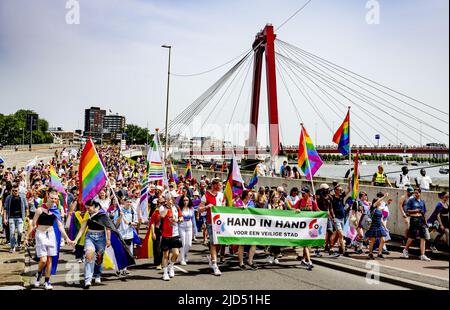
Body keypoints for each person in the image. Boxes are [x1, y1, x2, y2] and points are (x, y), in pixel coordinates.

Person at [25, 190, 74, 290]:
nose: (54, 200)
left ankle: (47, 281)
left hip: (51, 235)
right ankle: (38, 276)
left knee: (49, 260)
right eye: (52, 198)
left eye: (55, 199)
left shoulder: (56, 210)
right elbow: (33, 224)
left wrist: (67, 238)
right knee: (43, 260)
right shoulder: (40, 210)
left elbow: (60, 226)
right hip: (41, 235)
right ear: (47, 197)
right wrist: (26, 237)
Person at [73, 200, 115, 288]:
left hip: (101, 238)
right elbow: (82, 228)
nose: (87, 210)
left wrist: (108, 239)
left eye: (89, 208)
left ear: (95, 206)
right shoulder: (87, 215)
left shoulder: (103, 215)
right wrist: (76, 240)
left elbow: (108, 228)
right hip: (90, 237)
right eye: (86, 208)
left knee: (99, 258)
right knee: (89, 256)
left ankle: (97, 275)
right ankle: (88, 280)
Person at [198, 178, 225, 276]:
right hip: (210, 222)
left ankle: (212, 257)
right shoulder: (206, 196)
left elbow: (224, 207)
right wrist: (206, 207)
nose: (221, 187)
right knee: (213, 242)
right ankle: (215, 264)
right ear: (214, 185)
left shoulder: (221, 195)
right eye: (220, 185)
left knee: (219, 243)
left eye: (221, 185)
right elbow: (199, 209)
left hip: (220, 222)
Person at [402, 188, 431, 261]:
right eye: (415, 193)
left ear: (420, 193)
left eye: (417, 193)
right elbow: (407, 211)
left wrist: (425, 222)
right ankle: (405, 249)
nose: (416, 194)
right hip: (414, 219)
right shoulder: (411, 201)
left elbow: (424, 213)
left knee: (423, 237)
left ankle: (422, 255)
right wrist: (416, 211)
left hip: (421, 220)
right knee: (412, 236)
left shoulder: (422, 202)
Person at [160, 194, 183, 281]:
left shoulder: (176, 207)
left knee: (176, 253)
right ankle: (165, 273)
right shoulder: (163, 207)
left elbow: (181, 218)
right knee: (165, 255)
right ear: (166, 200)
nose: (170, 201)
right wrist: (168, 207)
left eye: (171, 199)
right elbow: (162, 215)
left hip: (175, 234)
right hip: (166, 234)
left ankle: (171, 266)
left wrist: (177, 220)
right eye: (168, 199)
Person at [114, 197, 137, 276]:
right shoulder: (118, 211)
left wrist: (131, 223)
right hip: (121, 235)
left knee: (128, 253)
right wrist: (120, 216)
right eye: (127, 202)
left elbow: (136, 223)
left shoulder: (132, 211)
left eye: (130, 202)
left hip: (129, 235)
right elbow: (116, 224)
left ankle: (125, 269)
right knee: (120, 252)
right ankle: (118, 268)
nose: (129, 203)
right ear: (124, 202)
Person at [296, 186, 319, 269]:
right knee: (306, 244)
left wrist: (326, 214)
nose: (302, 194)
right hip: (302, 227)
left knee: (308, 246)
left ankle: (303, 259)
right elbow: (292, 209)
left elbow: (318, 211)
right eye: (301, 193)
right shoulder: (299, 201)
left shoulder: (312, 202)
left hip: (310, 227)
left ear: (308, 193)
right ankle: (309, 262)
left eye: (304, 193)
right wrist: (296, 210)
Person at [3, 184, 28, 253]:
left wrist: (26, 217)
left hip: (20, 217)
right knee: (12, 233)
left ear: (18, 190)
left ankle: (19, 242)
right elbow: (5, 208)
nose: (14, 192)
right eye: (13, 191)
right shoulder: (8, 197)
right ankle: (12, 247)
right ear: (11, 191)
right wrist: (5, 218)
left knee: (20, 232)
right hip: (11, 217)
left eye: (16, 191)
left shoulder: (22, 197)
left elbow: (26, 207)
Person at [237, 191, 258, 270]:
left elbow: (253, 211)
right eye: (249, 195)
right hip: (241, 226)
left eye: (251, 195)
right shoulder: (239, 202)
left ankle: (250, 261)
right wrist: (240, 208)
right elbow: (234, 210)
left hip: (250, 226)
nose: (251, 196)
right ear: (245, 195)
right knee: (241, 244)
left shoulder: (251, 203)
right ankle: (241, 262)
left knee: (253, 243)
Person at [366, 193, 389, 259]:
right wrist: (384, 196)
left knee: (383, 240)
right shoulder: (373, 208)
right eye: (379, 201)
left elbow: (381, 219)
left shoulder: (380, 210)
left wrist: (385, 227)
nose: (380, 202)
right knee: (373, 240)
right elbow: (378, 201)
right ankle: (370, 253)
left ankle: (379, 253)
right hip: (374, 225)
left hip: (379, 226)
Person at [178, 195, 195, 265]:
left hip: (189, 226)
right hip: (181, 226)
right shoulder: (179, 208)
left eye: (187, 200)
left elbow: (193, 219)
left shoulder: (191, 208)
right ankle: (182, 259)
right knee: (183, 243)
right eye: (184, 200)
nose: (185, 202)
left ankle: (185, 254)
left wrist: (195, 228)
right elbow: (177, 217)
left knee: (189, 244)